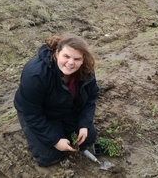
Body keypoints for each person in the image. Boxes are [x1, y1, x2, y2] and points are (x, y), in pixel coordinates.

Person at [14, 33, 99, 167]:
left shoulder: (86, 70)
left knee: (88, 139)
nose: (71, 63)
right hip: (39, 111)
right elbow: (33, 114)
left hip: (66, 107)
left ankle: (64, 128)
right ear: (57, 53)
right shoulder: (35, 74)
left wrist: (84, 124)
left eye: (77, 59)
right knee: (50, 156)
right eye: (66, 56)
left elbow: (90, 98)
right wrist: (55, 141)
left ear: (83, 59)